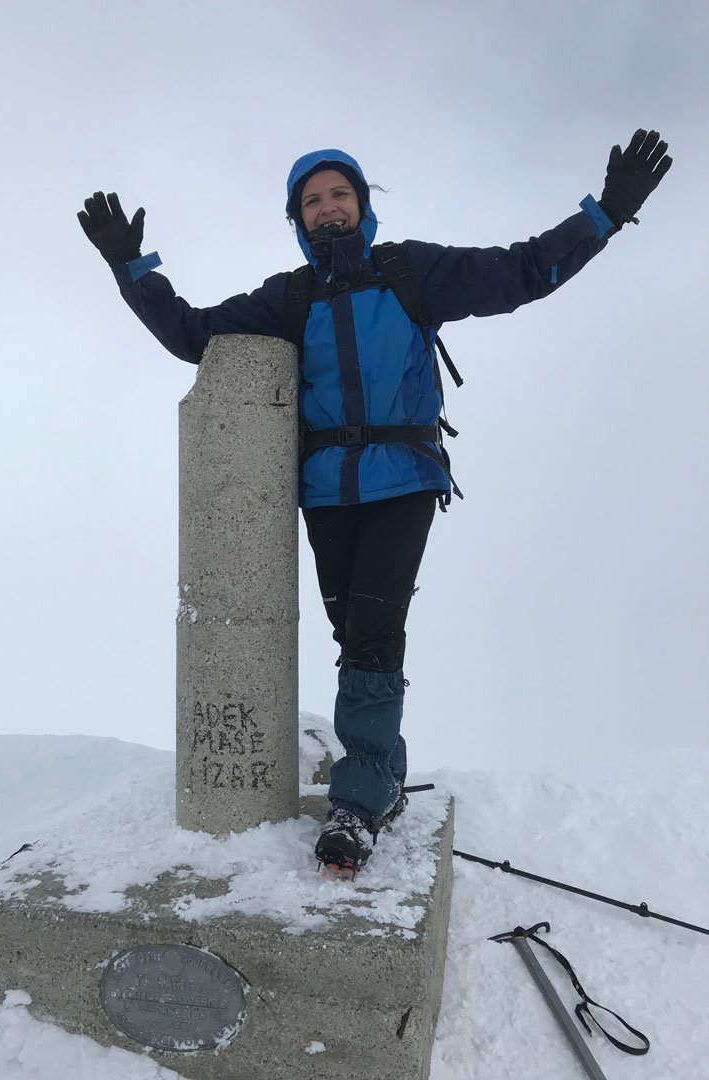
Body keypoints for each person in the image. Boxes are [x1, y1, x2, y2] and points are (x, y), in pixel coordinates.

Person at [78, 130, 672, 874]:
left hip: (404, 479)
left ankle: (357, 808)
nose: (328, 209)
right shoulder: (289, 297)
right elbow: (196, 336)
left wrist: (608, 212)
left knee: (372, 637)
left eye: (340, 194)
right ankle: (383, 771)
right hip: (326, 492)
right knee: (352, 632)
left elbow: (523, 270)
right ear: (298, 219)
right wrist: (129, 267)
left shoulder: (411, 270)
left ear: (362, 204)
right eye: (313, 201)